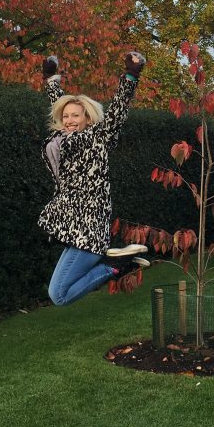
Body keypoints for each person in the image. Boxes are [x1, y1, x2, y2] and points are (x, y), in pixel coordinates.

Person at [39, 52, 150, 306]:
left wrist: (131, 75)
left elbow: (118, 112)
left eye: (76, 116)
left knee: (59, 295)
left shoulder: (98, 138)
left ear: (87, 118)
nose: (69, 120)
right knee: (58, 293)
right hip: (75, 229)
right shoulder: (62, 140)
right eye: (65, 116)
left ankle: (114, 266)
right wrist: (51, 79)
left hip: (88, 228)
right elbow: (61, 104)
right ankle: (119, 262)